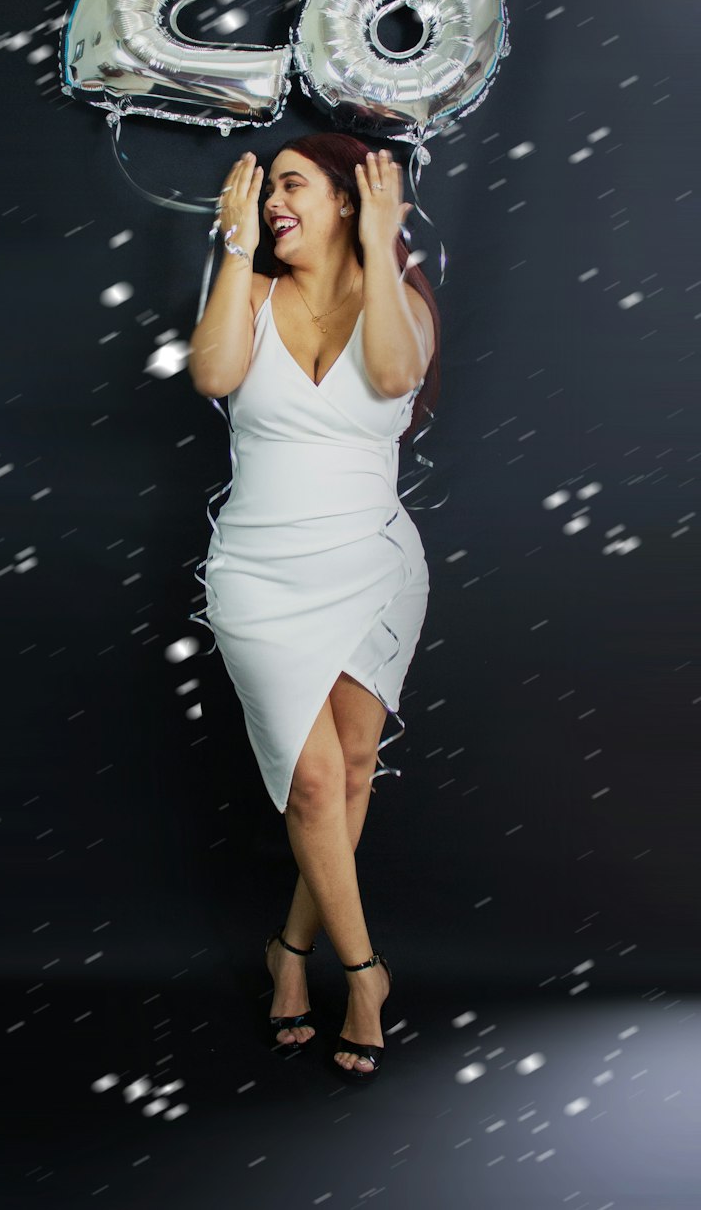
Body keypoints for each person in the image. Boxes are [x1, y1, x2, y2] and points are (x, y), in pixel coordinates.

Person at [188, 132, 440, 1079]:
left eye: (291, 186)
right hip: (259, 573)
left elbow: (390, 378)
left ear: (345, 199)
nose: (273, 203)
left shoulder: (404, 303)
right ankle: (365, 971)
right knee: (313, 784)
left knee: (355, 768)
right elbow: (212, 376)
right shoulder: (248, 291)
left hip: (373, 564)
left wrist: (380, 244)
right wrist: (231, 247)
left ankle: (288, 954)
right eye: (265, 192)